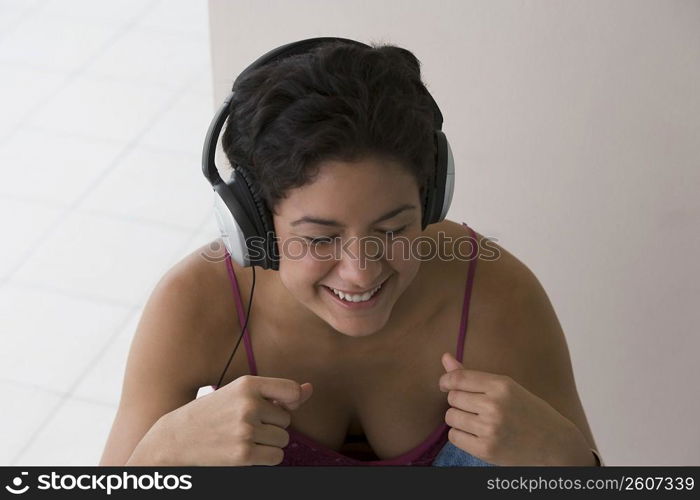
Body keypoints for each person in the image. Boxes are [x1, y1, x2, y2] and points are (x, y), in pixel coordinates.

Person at [99, 40, 602, 467]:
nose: (360, 272)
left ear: (431, 202)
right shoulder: (193, 304)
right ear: (253, 222)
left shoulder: (498, 297)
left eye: (393, 229)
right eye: (320, 239)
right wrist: (160, 456)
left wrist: (569, 461)